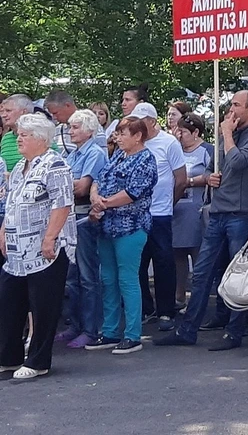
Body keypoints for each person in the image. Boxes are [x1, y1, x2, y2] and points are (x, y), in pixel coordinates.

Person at [155, 90, 248, 351]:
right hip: (217, 212)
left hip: (241, 212)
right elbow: (213, 166)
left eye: (237, 105)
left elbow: (238, 161)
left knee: (238, 272)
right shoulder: (224, 137)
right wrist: (209, 177)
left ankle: (235, 331)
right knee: (203, 272)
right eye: (231, 105)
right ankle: (188, 330)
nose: (231, 110)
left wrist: (227, 133)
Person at [0, 113, 75, 378]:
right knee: (9, 301)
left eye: (25, 135)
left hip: (45, 249)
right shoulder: (21, 166)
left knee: (43, 304)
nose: (18, 138)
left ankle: (38, 362)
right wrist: (3, 233)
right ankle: (8, 357)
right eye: (18, 134)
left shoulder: (54, 165)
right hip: (17, 249)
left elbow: (62, 203)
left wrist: (50, 237)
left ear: (41, 139)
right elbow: (11, 203)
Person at [84, 116, 157, 355]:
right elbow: (99, 179)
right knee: (108, 279)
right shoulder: (118, 156)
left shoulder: (146, 159)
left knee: (127, 279)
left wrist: (103, 204)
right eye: (118, 133)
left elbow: (133, 192)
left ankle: (132, 335)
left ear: (138, 136)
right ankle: (110, 331)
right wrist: (95, 198)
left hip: (131, 227)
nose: (118, 137)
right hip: (106, 226)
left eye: (123, 133)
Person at [130, 103, 186, 332]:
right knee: (137, 263)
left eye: (141, 120)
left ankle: (166, 311)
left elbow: (180, 178)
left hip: (160, 213)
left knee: (163, 262)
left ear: (152, 121)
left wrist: (168, 204)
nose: (137, 125)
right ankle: (146, 307)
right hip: (136, 213)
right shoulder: (134, 143)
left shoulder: (169, 143)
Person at [58, 109, 108, 349]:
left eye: (76, 127)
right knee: (72, 277)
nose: (70, 130)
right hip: (70, 219)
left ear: (89, 130)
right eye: (70, 126)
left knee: (88, 276)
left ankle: (91, 328)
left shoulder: (95, 154)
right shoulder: (73, 155)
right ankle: (75, 325)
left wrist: (69, 185)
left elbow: (82, 188)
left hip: (86, 220)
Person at [172, 113, 214, 309]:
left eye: (183, 132)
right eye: (177, 131)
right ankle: (179, 295)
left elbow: (210, 176)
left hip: (196, 209)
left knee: (198, 255)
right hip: (175, 209)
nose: (179, 135)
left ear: (196, 132)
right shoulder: (174, 150)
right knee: (177, 255)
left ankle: (198, 300)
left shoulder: (207, 151)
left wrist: (188, 182)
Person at [45, 90, 107, 155]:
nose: (54, 117)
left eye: (55, 113)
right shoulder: (57, 130)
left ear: (67, 105)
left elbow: (101, 158)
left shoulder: (93, 128)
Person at [1, 94, 34, 171]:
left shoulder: (40, 136)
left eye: (8, 111)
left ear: (23, 112)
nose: (3, 115)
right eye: (3, 111)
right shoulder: (6, 138)